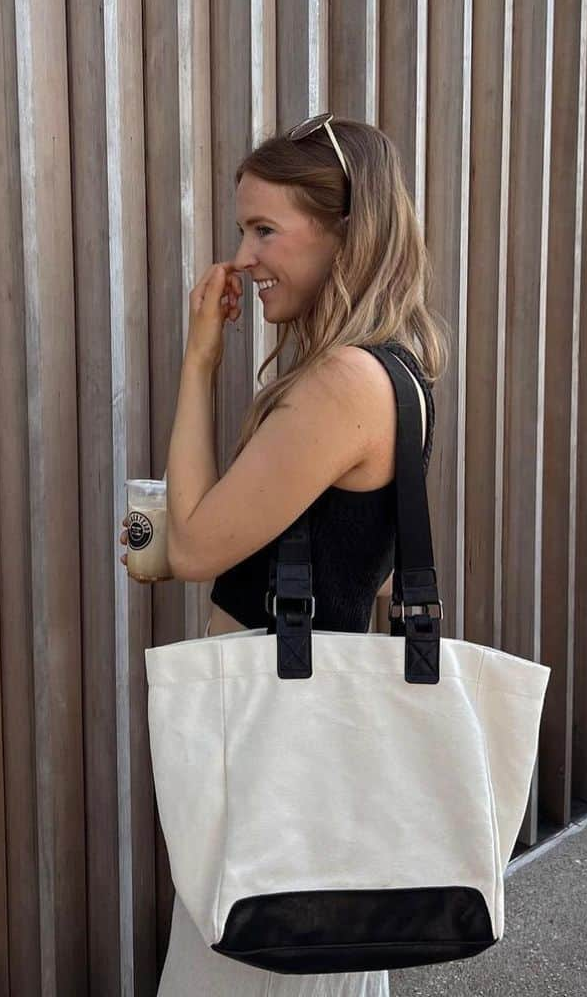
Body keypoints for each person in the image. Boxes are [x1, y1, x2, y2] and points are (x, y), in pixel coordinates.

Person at [120, 113, 447, 996]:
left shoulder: (343, 382)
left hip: (281, 752)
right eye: (241, 227)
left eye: (265, 228)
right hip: (307, 744)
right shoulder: (399, 365)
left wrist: (197, 361)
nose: (242, 255)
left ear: (347, 232)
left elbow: (189, 544)